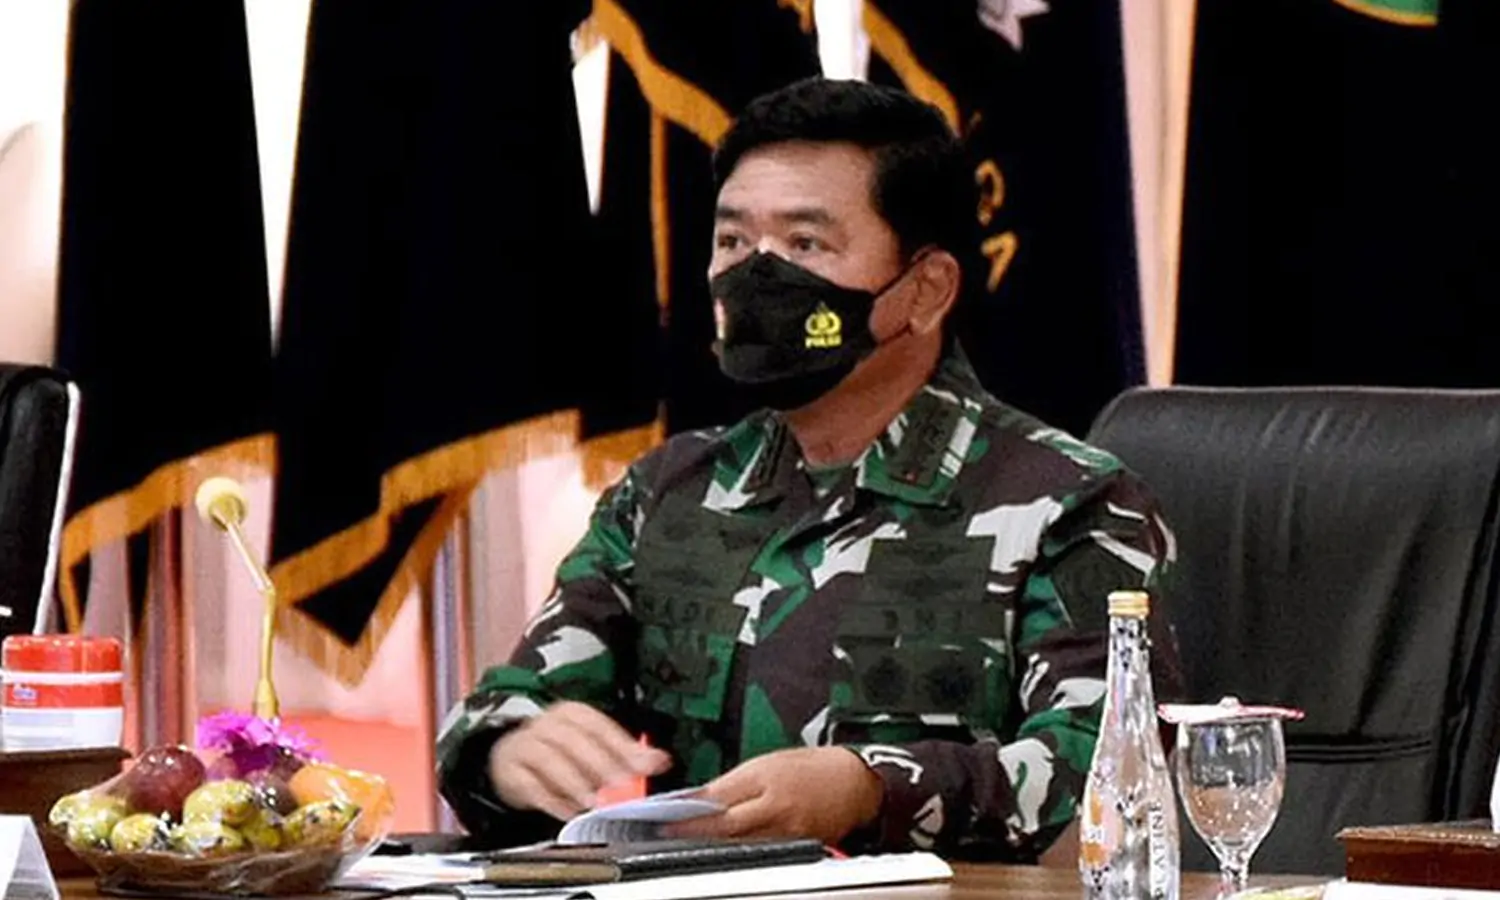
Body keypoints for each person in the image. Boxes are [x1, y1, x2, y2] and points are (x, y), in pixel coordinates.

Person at [436, 77, 1180, 860]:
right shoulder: (668, 493)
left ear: (925, 290)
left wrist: (871, 790)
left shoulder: (1068, 502)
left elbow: (1109, 766)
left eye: (805, 245)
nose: (757, 277)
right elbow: (512, 702)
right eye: (732, 242)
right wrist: (509, 750)